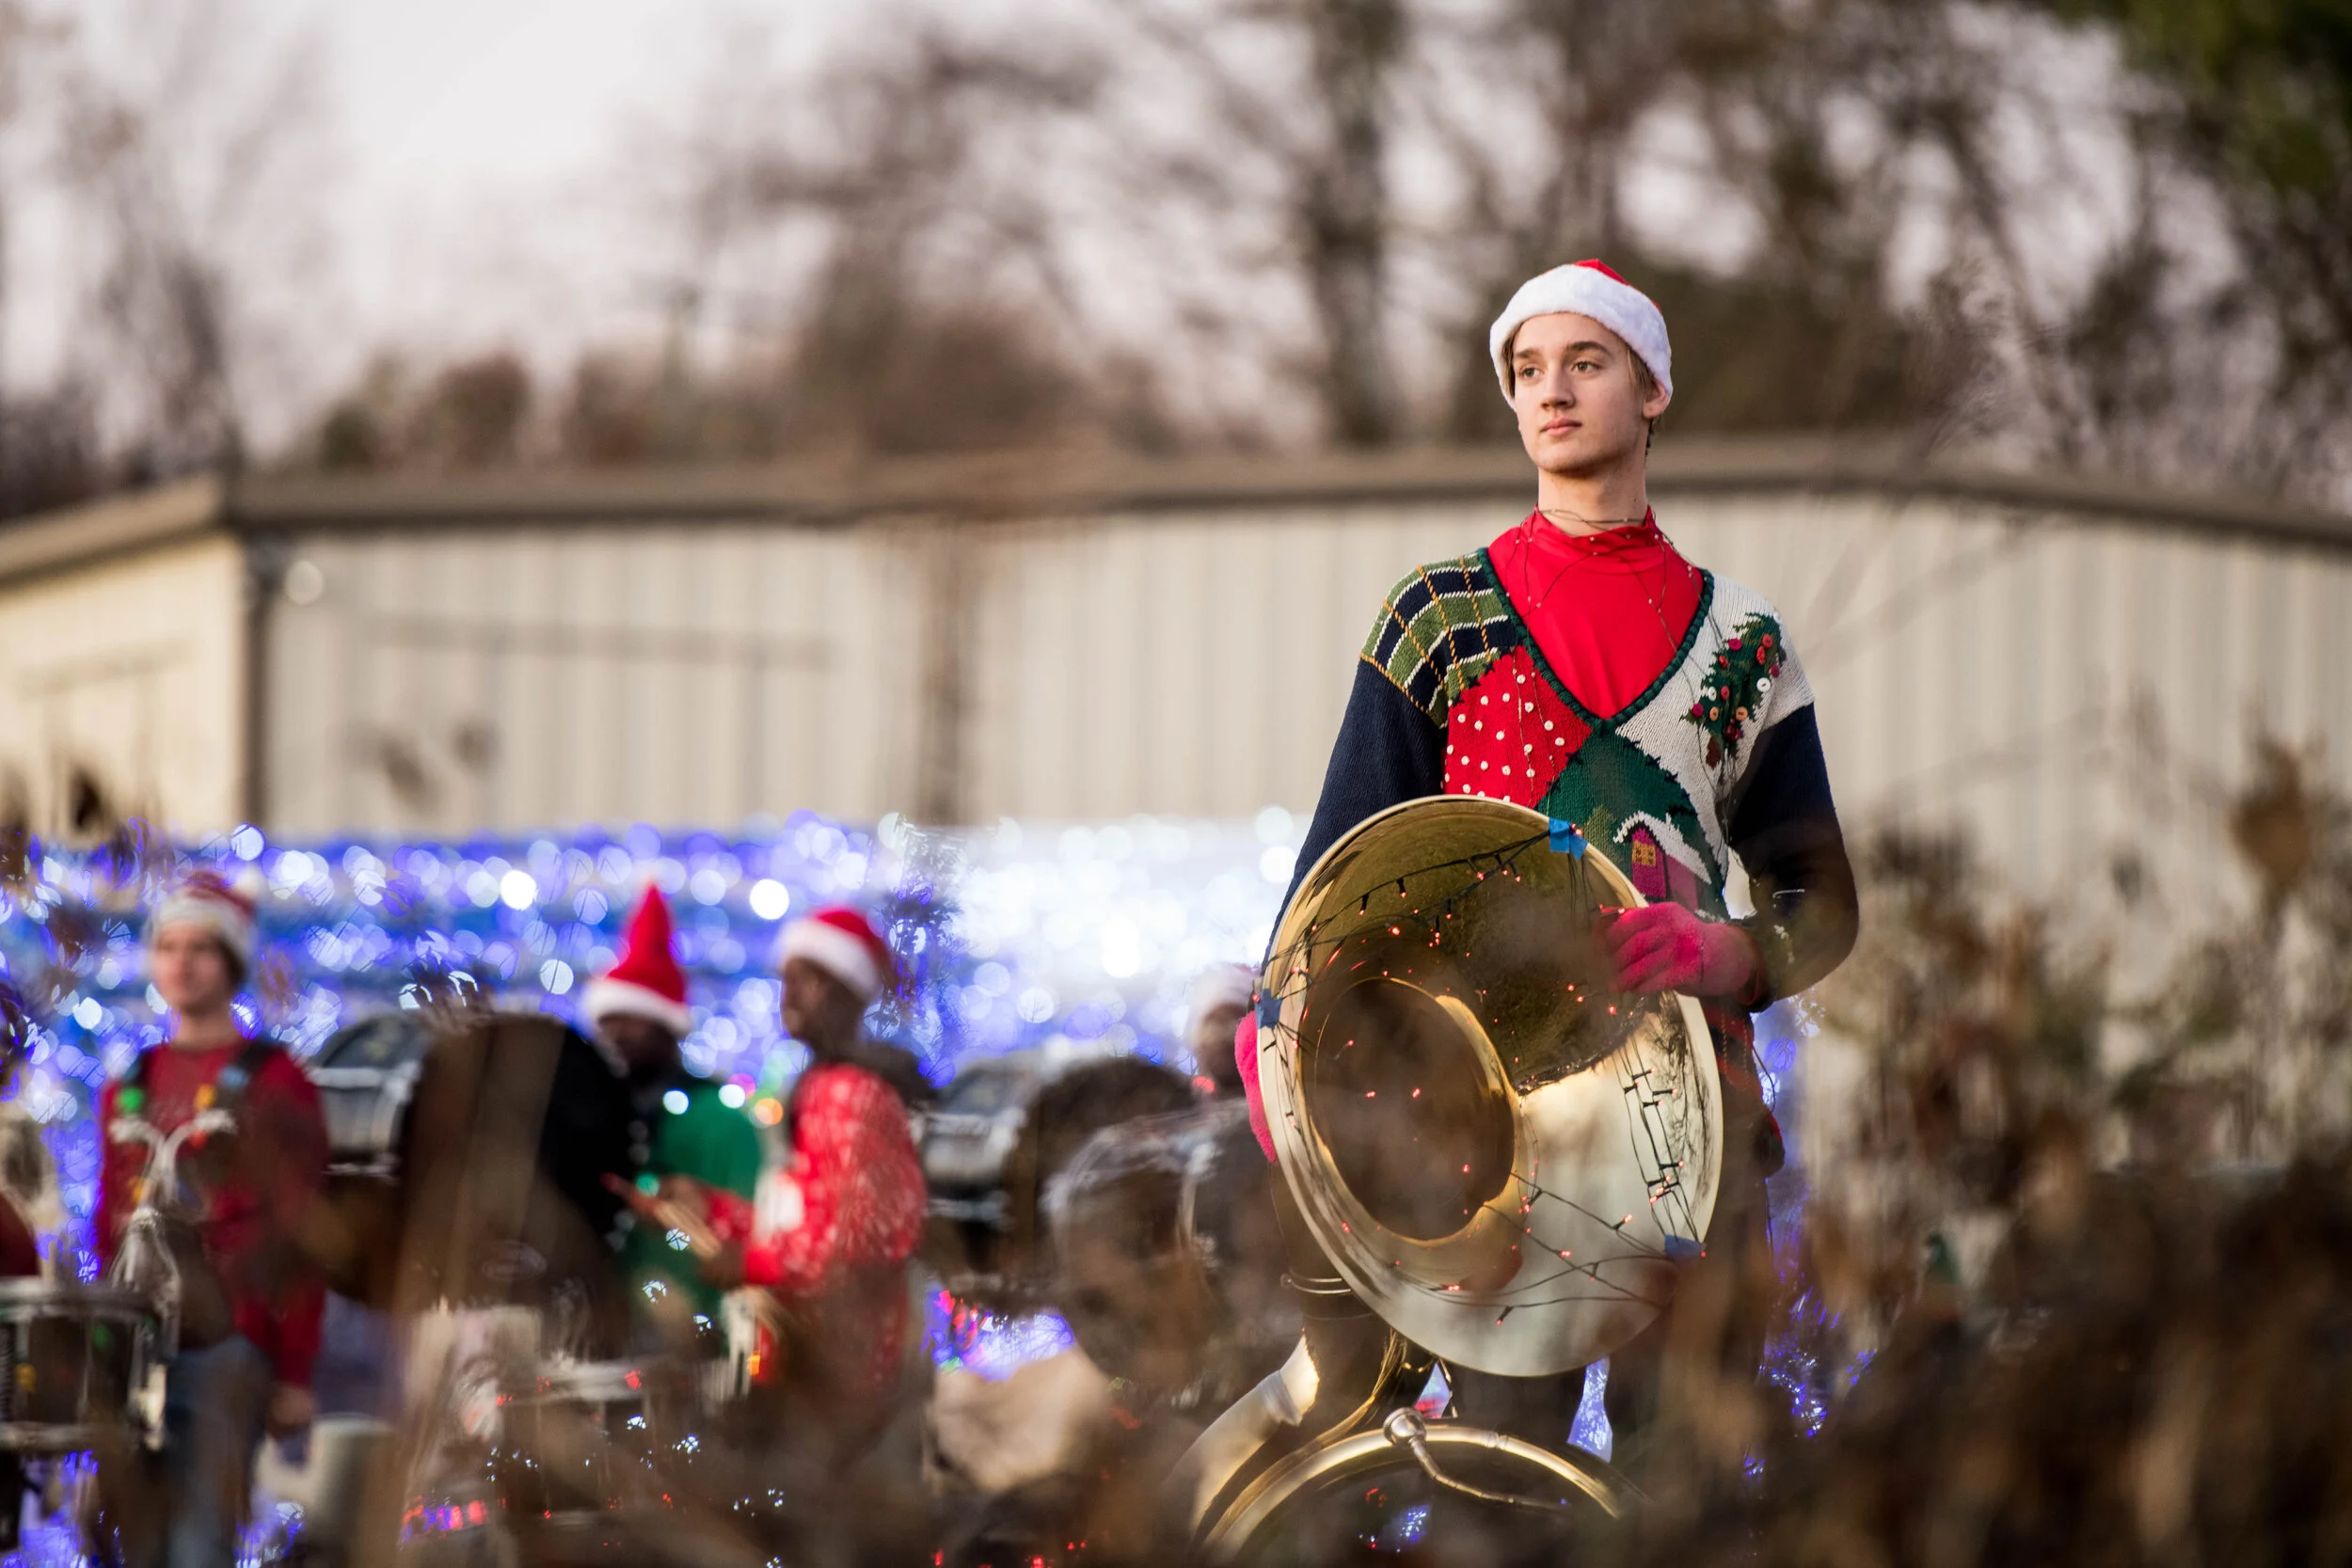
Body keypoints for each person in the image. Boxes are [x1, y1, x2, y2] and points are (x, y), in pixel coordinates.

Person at [1239, 260, 1859, 1474]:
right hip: (1481, 1134)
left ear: (1653, 388)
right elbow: (1334, 890)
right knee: (1495, 1478)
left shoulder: (1745, 643)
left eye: (1587, 362)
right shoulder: (1438, 613)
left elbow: (1821, 900)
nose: (1552, 392)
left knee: (1683, 1479)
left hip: (1701, 1126)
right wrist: (1285, 1072)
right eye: (1527, 370)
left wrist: (1734, 950)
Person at [96, 872, 329, 1568]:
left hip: (229, 1344)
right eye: (168, 945)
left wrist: (294, 1372)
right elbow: (109, 1222)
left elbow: (303, 1231)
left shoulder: (273, 1079)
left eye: (201, 946)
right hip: (137, 1348)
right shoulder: (129, 1082)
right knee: (136, 1542)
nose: (182, 961)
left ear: (230, 961)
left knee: (200, 1542)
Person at [588, 887, 763, 1343]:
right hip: (614, 1334)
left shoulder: (717, 1120)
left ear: (668, 1024)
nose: (617, 1033)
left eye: (633, 1018)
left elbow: (747, 1232)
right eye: (608, 1019)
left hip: (702, 1341)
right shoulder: (598, 1122)